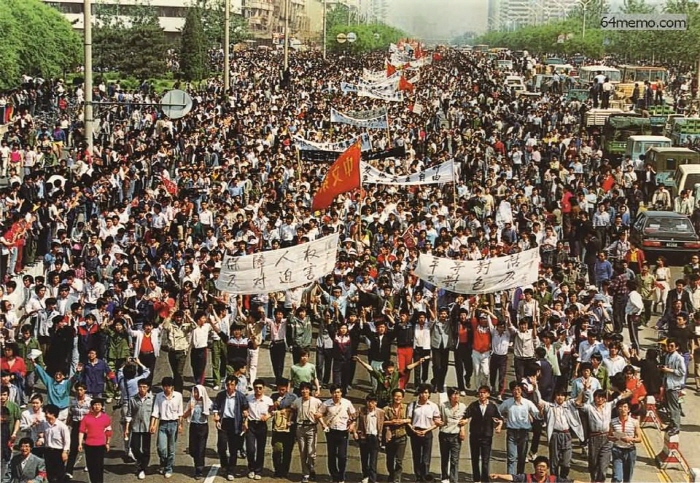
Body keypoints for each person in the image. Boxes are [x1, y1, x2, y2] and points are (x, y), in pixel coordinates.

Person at [538, 389, 584, 479]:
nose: (560, 397)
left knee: (566, 462)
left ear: (565, 397)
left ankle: (563, 478)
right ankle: (554, 479)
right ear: (555, 396)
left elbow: (578, 401)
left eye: (562, 395)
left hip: (567, 435)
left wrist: (584, 390)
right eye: (558, 395)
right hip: (555, 435)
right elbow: (538, 400)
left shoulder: (569, 404)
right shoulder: (550, 406)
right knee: (554, 461)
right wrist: (535, 387)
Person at [498, 380, 542, 475]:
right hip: (511, 433)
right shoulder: (507, 403)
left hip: (524, 433)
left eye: (518, 389)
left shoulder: (527, 403)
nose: (516, 392)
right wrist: (502, 420)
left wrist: (541, 411)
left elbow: (537, 415)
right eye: (514, 390)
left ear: (521, 390)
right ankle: (511, 478)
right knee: (511, 458)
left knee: (522, 458)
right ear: (511, 391)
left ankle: (519, 477)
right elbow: (498, 412)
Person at [212, 374, 249, 481]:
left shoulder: (241, 396)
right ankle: (224, 465)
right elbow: (215, 406)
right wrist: (216, 416)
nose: (229, 387)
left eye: (232, 385)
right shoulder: (221, 395)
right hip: (224, 422)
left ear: (236, 385)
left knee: (233, 449)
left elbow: (245, 409)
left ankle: (231, 471)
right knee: (221, 446)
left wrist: (245, 420)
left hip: (235, 423)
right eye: (228, 385)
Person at [464, 385, 503, 483]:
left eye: (484, 392)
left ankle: (485, 480)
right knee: (475, 459)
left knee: (485, 460)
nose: (481, 394)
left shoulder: (492, 406)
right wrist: (464, 421)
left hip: (487, 437)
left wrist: (499, 425)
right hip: (474, 436)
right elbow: (466, 415)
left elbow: (499, 418)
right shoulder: (473, 405)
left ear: (488, 394)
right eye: (480, 392)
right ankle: (476, 479)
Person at [319, 384, 357, 483]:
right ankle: (334, 476)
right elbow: (319, 414)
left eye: (338, 392)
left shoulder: (347, 403)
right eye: (334, 392)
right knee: (331, 455)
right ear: (331, 393)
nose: (336, 394)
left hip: (343, 431)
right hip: (331, 431)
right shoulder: (326, 403)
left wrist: (352, 425)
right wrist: (323, 424)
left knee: (342, 456)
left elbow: (354, 416)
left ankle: (341, 476)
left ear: (341, 393)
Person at [149, 376, 184, 478]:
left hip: (174, 424)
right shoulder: (159, 396)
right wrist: (153, 425)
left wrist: (180, 425)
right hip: (163, 424)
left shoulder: (178, 396)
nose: (166, 388)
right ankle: (163, 463)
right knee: (161, 448)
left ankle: (168, 468)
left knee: (171, 449)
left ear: (172, 387)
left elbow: (180, 412)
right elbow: (155, 412)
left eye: (168, 386)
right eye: (164, 386)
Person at [407, 383, 442, 483]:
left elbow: (437, 422)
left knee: (426, 459)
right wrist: (414, 430)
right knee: (416, 456)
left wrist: (426, 430)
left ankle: (425, 478)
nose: (424, 395)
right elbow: (408, 420)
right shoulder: (413, 405)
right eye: (422, 392)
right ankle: (418, 477)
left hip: (427, 433)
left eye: (426, 393)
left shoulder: (433, 406)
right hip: (415, 433)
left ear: (429, 394)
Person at [291, 381, 322, 483]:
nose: (304, 391)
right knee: (303, 453)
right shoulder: (297, 401)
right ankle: (305, 474)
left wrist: (320, 416)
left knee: (311, 453)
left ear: (310, 390)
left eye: (306, 389)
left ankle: (311, 467)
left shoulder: (316, 401)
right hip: (300, 428)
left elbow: (324, 410)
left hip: (311, 428)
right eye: (302, 389)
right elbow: (292, 410)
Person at [124, 378, 154, 480]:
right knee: (135, 448)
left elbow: (154, 414)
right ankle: (141, 461)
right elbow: (129, 414)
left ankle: (142, 468)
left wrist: (153, 425)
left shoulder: (152, 399)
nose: (142, 389)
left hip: (147, 427)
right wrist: (127, 429)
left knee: (146, 449)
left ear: (148, 388)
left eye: (144, 387)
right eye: (140, 387)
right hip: (135, 426)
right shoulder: (133, 399)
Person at [245, 378, 274, 480]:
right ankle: (251, 468)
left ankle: (258, 470)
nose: (258, 390)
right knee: (250, 449)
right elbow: (244, 409)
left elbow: (272, 411)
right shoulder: (248, 398)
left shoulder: (268, 400)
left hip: (261, 425)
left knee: (261, 449)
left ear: (264, 388)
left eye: (260, 388)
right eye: (256, 388)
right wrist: (245, 416)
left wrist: (268, 416)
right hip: (251, 424)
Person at [78, 398, 112, 483]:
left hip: (100, 445)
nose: (97, 406)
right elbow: (81, 431)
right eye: (95, 405)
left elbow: (109, 431)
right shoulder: (86, 418)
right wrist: (80, 444)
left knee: (99, 466)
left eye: (99, 405)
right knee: (90, 466)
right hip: (89, 445)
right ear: (92, 406)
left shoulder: (105, 418)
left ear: (102, 406)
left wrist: (107, 443)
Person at [353, 393, 385, 483]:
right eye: (369, 402)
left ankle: (373, 478)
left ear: (376, 403)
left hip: (375, 437)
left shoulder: (380, 412)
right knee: (364, 458)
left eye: (373, 402)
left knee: (373, 459)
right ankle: (365, 476)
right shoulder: (361, 410)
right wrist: (354, 432)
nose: (370, 404)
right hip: (364, 436)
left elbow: (385, 423)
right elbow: (352, 419)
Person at [438, 388, 467, 483]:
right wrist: (439, 423)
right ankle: (444, 478)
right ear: (450, 396)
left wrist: (462, 430)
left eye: (457, 394)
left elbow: (464, 419)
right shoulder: (443, 406)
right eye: (454, 394)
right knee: (444, 457)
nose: (456, 396)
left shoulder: (463, 407)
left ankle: (454, 479)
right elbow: (440, 418)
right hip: (444, 434)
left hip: (456, 435)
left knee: (454, 460)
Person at [270, 378, 298, 479]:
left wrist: (282, 407)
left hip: (289, 428)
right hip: (277, 428)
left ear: (287, 388)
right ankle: (277, 470)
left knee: (287, 451)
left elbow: (294, 409)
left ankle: (285, 471)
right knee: (277, 449)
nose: (281, 391)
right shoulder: (273, 396)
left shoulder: (293, 397)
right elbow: (270, 409)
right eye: (279, 389)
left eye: (283, 389)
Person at [183, 385, 212, 479]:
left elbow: (214, 410)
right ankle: (198, 463)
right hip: (193, 426)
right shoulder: (191, 402)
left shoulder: (207, 402)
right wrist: (190, 409)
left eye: (197, 392)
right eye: (194, 392)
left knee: (200, 449)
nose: (195, 394)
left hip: (203, 427)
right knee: (193, 449)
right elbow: (184, 415)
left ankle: (199, 469)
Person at [608, 399, 641, 483]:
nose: (623, 409)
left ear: (629, 409)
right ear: (617, 409)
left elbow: (639, 439)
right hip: (617, 450)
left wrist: (631, 439)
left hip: (630, 451)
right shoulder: (613, 421)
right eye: (620, 407)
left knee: (627, 477)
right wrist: (612, 438)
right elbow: (609, 435)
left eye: (625, 407)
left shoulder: (634, 422)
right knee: (617, 476)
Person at [490, 455, 586, 483]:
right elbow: (513, 477)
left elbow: (571, 482)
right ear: (535, 468)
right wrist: (498, 475)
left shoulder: (553, 480)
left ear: (547, 469)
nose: (541, 469)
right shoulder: (526, 478)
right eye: (539, 467)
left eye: (543, 467)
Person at [383, 388, 411, 483]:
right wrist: (391, 422)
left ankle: (397, 479)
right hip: (390, 437)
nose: (397, 398)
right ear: (392, 397)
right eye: (395, 396)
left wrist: (402, 421)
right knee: (390, 459)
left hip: (402, 436)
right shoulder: (386, 409)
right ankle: (391, 474)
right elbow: (382, 421)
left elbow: (410, 419)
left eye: (399, 396)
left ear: (402, 397)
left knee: (399, 460)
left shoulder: (406, 407)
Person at [661, 338, 686, 435]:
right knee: (669, 406)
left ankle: (676, 426)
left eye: (672, 346)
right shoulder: (668, 356)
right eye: (668, 346)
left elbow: (682, 372)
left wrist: (669, 370)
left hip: (675, 385)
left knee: (674, 407)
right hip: (667, 383)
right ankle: (672, 424)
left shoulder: (679, 358)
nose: (669, 347)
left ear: (677, 347)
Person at [42, 404, 71, 483]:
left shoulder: (62, 426)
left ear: (53, 414)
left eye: (47, 413)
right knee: (49, 472)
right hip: (48, 451)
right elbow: (44, 436)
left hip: (58, 451)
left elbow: (67, 440)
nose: (45, 415)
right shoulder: (45, 425)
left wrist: (65, 452)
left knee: (59, 472)